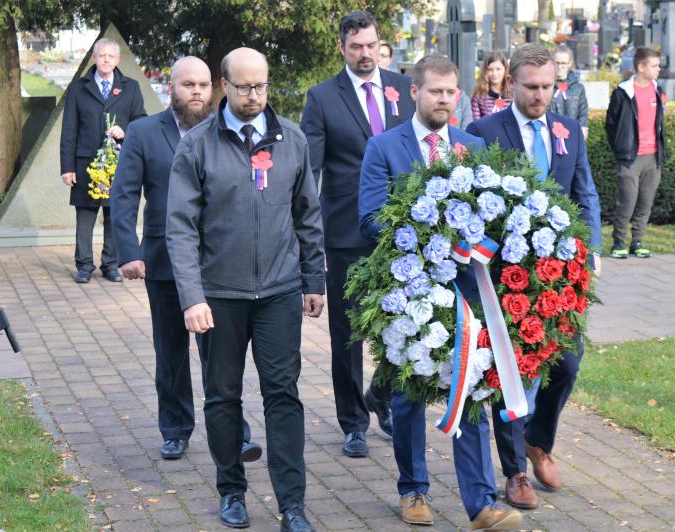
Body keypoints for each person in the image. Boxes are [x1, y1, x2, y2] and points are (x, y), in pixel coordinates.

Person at [359, 53, 523, 531]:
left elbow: (493, 215)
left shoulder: (473, 146)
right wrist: (430, 232)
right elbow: (369, 218)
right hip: (408, 291)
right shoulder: (384, 147)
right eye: (435, 91)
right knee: (409, 395)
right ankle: (413, 489)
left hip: (468, 292)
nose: (444, 100)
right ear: (415, 92)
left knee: (470, 387)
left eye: (451, 92)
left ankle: (481, 503)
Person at [166, 47, 325, 531]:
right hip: (219, 296)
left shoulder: (292, 139)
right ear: (225, 85)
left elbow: (307, 215)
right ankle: (231, 490)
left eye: (261, 85)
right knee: (222, 398)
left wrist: (313, 279)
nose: (254, 95)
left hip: (279, 292)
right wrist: (193, 297)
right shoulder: (198, 146)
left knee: (283, 396)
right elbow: (180, 228)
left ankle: (292, 505)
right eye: (244, 87)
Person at [467, 43, 602, 510]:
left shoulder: (567, 130)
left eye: (547, 86)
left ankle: (537, 440)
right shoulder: (484, 132)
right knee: (512, 371)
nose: (539, 95)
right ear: (511, 84)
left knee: (566, 364)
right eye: (530, 87)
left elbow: (584, 191)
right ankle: (515, 472)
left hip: (560, 273)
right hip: (505, 274)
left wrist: (591, 249)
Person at [110, 56, 262, 463]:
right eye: (187, 84)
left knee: (221, 354)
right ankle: (175, 429)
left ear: (213, 89)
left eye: (203, 85)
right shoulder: (144, 133)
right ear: (171, 88)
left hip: (217, 262)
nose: (196, 91)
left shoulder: (227, 132)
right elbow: (124, 193)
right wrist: (128, 251)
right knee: (171, 352)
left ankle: (234, 431)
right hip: (163, 261)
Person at [300, 10, 415, 457]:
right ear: (342, 48)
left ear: (380, 43)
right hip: (345, 231)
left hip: (402, 232)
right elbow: (309, 171)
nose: (365, 54)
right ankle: (353, 422)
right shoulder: (322, 98)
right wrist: (307, 237)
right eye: (355, 47)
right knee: (348, 334)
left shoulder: (405, 88)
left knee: (405, 323)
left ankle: (383, 396)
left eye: (370, 45)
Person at [60, 38, 145, 284]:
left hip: (118, 163)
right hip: (85, 164)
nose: (106, 59)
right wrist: (67, 167)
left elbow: (141, 121)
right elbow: (69, 129)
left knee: (113, 215)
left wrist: (124, 130)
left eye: (111, 56)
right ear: (94, 58)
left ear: (117, 60)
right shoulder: (78, 88)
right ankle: (84, 265)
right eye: (102, 55)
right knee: (85, 216)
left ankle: (110, 264)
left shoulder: (131, 87)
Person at [605, 46, 665, 259]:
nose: (658, 69)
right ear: (641, 67)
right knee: (627, 202)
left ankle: (637, 242)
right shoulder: (622, 92)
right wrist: (621, 149)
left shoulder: (657, 89)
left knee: (645, 203)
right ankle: (618, 242)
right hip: (630, 157)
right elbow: (610, 124)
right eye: (654, 65)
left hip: (653, 157)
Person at [550, 46, 589, 139]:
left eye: (563, 63)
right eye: (557, 63)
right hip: (551, 135)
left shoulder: (578, 88)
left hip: (573, 134)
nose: (560, 67)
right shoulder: (546, 86)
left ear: (570, 63)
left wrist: (583, 128)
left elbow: (583, 112)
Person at [471, 51, 513, 120]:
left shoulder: (513, 94)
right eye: (490, 69)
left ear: (505, 70)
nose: (494, 73)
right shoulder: (479, 95)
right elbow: (476, 121)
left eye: (498, 69)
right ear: (485, 71)